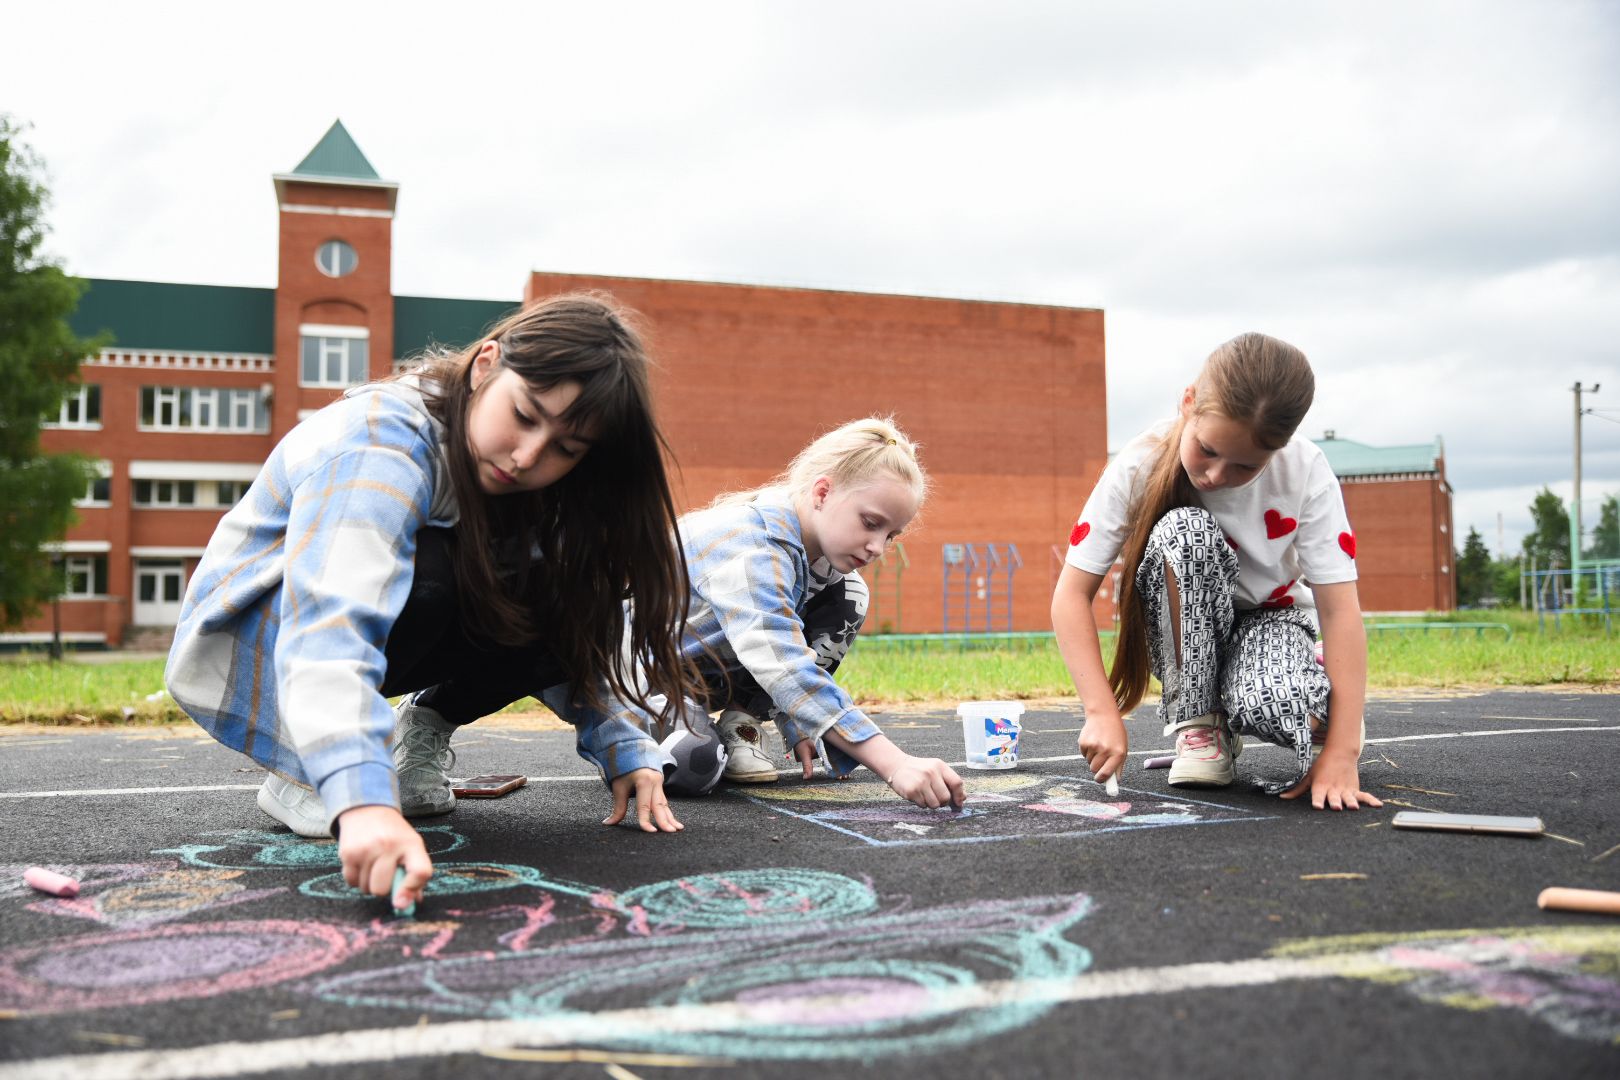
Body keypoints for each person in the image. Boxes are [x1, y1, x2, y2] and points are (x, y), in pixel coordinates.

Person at [165, 294, 700, 910]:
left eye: (566, 449)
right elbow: (332, 624)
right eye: (524, 415)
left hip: (368, 634)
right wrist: (362, 801)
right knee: (441, 570)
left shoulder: (526, 481)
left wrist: (622, 742)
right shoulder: (380, 443)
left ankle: (416, 729)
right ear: (485, 366)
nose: (529, 456)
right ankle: (302, 769)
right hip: (260, 644)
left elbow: (570, 624)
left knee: (550, 577)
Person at [496, 416, 961, 809]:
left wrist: (795, 714)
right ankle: (642, 733)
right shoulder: (751, 546)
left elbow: (792, 641)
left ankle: (740, 723)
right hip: (629, 673)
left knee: (849, 596)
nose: (878, 547)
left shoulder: (821, 560)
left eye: (892, 535)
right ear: (822, 492)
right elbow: (778, 654)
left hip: (696, 668)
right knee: (694, 767)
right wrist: (895, 763)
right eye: (870, 523)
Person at [1051, 332, 1381, 811]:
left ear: (1279, 449)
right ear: (1188, 402)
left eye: (1244, 466)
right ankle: (1200, 724)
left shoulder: (1305, 470)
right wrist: (1100, 712)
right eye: (1207, 450)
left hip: (1274, 620)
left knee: (1272, 702)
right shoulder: (1139, 464)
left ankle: (1316, 704)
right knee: (1183, 532)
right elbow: (1071, 595)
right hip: (1188, 630)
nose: (1215, 476)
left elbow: (1340, 610)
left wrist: (1342, 750)